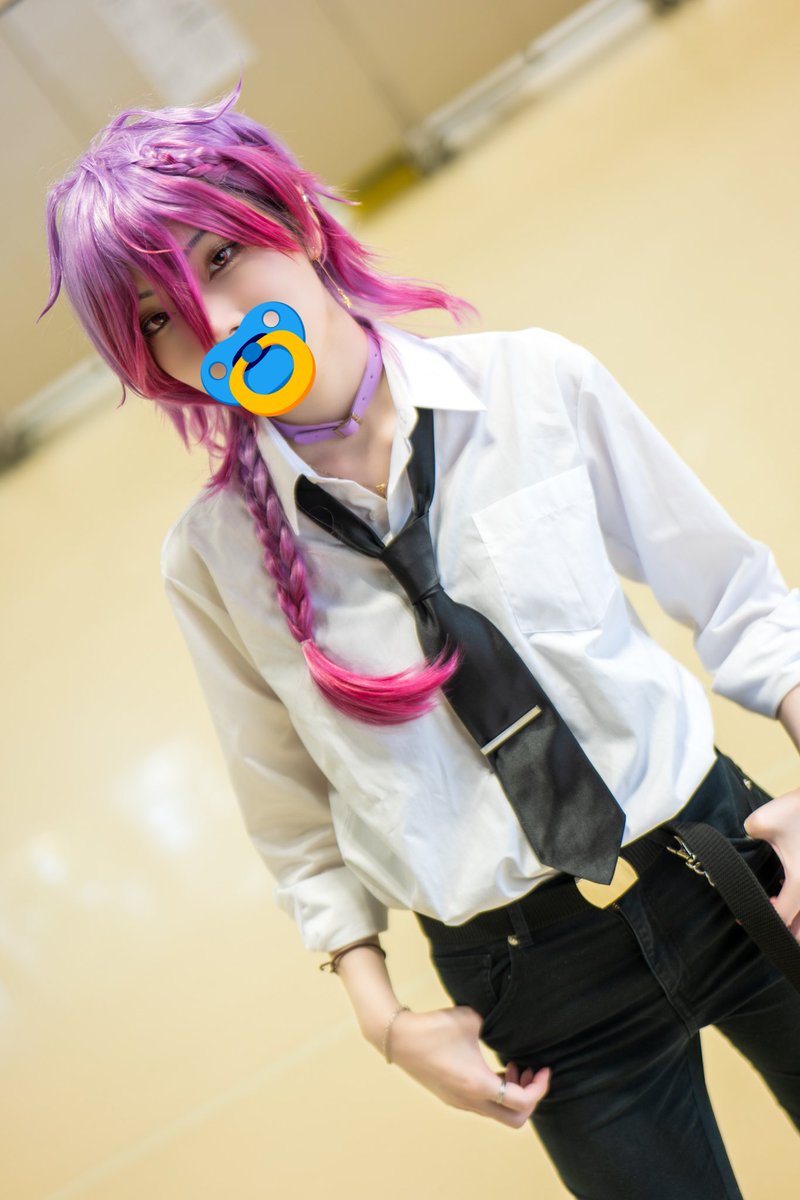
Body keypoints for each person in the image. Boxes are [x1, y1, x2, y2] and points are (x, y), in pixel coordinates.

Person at [41, 84, 800, 1199]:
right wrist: (384, 1019)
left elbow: (736, 594)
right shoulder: (212, 560)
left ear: (298, 222)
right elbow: (290, 816)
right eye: (157, 318)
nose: (210, 322)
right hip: (532, 982)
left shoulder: (531, 384)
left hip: (725, 864)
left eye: (219, 258)